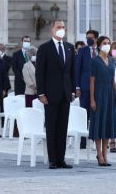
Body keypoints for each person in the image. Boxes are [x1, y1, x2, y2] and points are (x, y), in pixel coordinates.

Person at [35, 20, 75, 169]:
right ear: (52, 30)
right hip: (50, 94)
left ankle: (61, 159)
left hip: (65, 94)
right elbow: (40, 72)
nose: (61, 30)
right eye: (59, 27)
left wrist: (72, 90)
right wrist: (41, 93)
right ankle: (52, 159)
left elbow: (71, 71)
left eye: (63, 27)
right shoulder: (45, 48)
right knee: (51, 127)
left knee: (62, 128)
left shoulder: (69, 48)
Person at [89, 36, 116, 166]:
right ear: (99, 45)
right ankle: (99, 154)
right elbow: (92, 81)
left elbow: (113, 80)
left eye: (108, 43)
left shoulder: (112, 60)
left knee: (107, 124)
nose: (107, 45)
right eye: (105, 43)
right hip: (98, 94)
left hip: (109, 94)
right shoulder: (95, 61)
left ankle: (105, 155)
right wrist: (92, 100)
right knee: (98, 124)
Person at [75, 30, 99, 148]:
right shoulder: (82, 51)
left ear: (96, 39)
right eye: (87, 37)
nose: (88, 39)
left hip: (99, 88)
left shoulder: (101, 51)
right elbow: (77, 69)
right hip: (84, 88)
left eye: (90, 38)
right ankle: (83, 141)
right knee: (84, 114)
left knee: (97, 114)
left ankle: (96, 140)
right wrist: (77, 87)